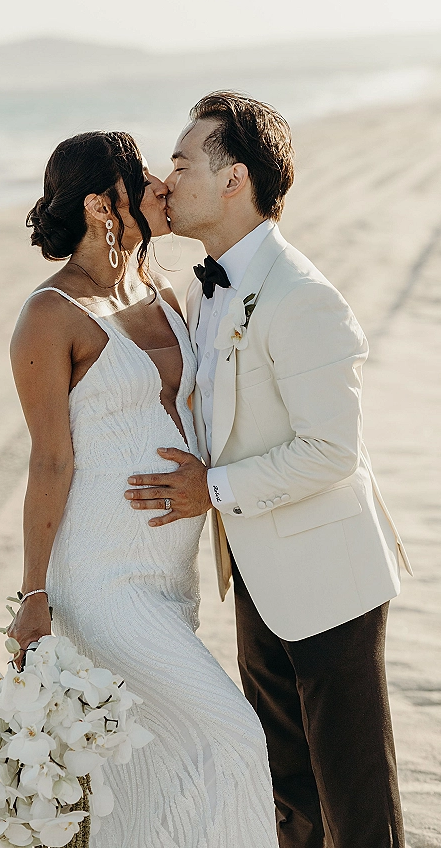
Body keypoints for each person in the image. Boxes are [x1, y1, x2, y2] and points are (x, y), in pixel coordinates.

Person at [125, 92, 411, 848]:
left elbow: (331, 450)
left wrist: (209, 490)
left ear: (234, 180)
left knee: (356, 804)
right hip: (254, 567)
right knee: (287, 792)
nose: (166, 180)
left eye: (182, 165)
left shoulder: (303, 297)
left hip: (328, 575)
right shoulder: (204, 285)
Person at [8, 130, 278, 847]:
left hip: (170, 579)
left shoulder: (160, 287)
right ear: (103, 204)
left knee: (146, 774)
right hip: (102, 582)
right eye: (144, 179)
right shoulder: (50, 314)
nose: (162, 187)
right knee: (234, 737)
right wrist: (34, 596)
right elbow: (49, 463)